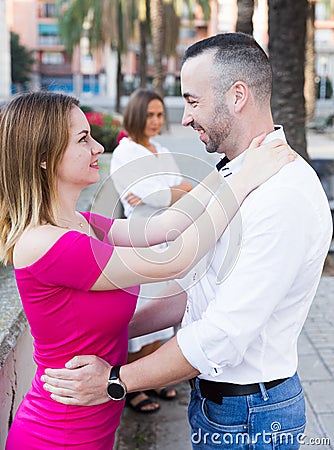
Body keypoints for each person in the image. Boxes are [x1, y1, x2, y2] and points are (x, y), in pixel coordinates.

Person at [41, 33, 333, 450]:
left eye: (193, 102)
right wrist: (109, 336)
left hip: (251, 417)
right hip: (223, 407)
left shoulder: (281, 194)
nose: (184, 119)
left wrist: (113, 380)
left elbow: (222, 335)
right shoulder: (238, 174)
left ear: (237, 96)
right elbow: (195, 292)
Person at [0, 91, 293, 450]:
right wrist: (244, 181)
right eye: (83, 139)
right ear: (43, 158)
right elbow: (173, 259)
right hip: (58, 434)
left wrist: (232, 170)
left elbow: (166, 224)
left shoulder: (82, 224)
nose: (98, 149)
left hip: (92, 426)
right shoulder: (46, 243)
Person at [110, 88, 192, 413]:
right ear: (136, 115)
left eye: (160, 115)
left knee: (165, 312)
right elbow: (155, 197)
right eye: (150, 115)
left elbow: (170, 193)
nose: (156, 121)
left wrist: (163, 192)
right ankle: (134, 386)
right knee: (143, 316)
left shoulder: (161, 149)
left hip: (170, 240)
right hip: (142, 242)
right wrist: (172, 191)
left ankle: (158, 377)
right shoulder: (125, 153)